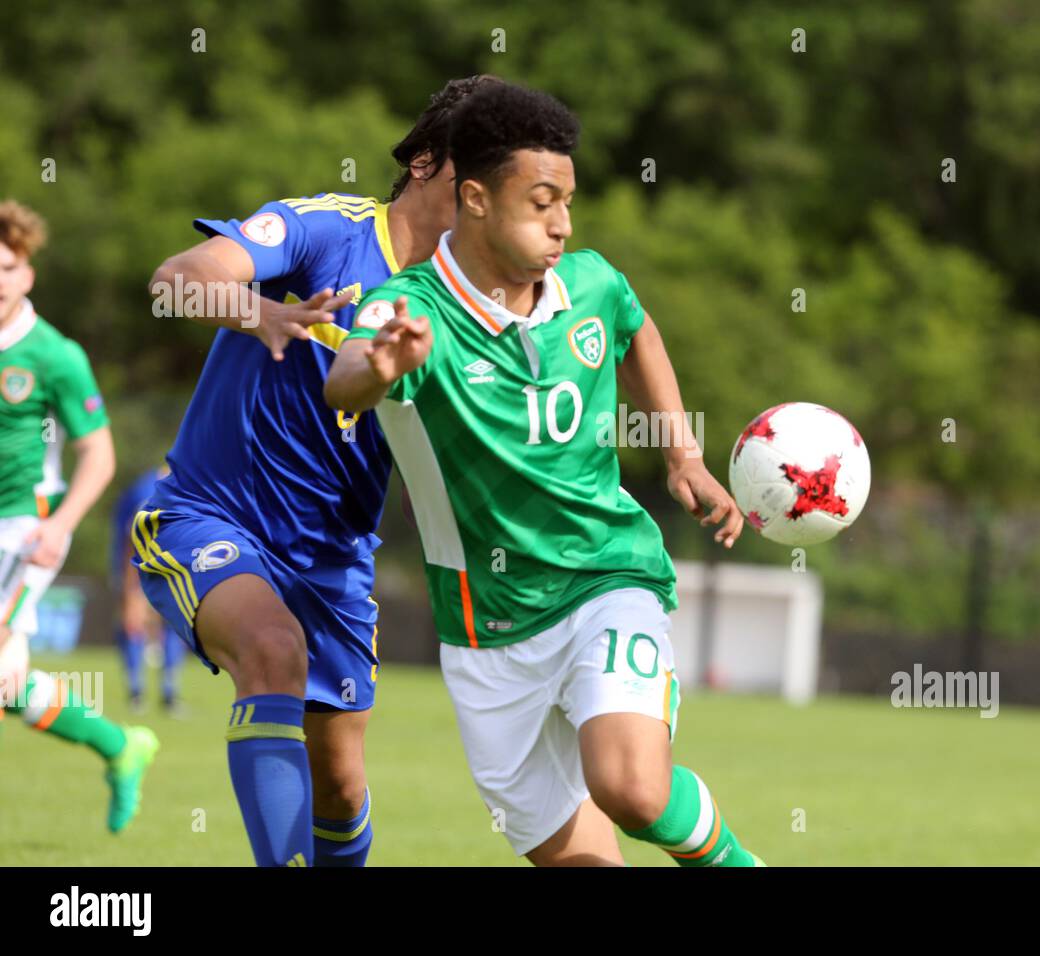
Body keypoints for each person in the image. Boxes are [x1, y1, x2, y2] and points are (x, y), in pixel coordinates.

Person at [326, 82, 763, 866]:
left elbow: (634, 328)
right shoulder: (409, 311)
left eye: (568, 201)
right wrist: (382, 365)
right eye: (541, 201)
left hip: (606, 576)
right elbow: (346, 376)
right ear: (476, 199)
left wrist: (682, 453)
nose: (562, 223)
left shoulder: (589, 283)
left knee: (632, 789)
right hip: (486, 631)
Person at [136, 76, 498, 866]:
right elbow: (174, 281)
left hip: (335, 560)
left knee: (338, 782)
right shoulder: (325, 228)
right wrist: (257, 310)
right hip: (211, 516)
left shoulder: (466, 304)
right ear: (431, 164)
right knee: (272, 650)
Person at [0, 199, 158, 832]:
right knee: (9, 686)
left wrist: (60, 527)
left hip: (26, 529)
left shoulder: (54, 355)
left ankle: (121, 747)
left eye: (7, 267)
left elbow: (98, 454)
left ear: (28, 275)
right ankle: (121, 746)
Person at [111, 465, 186, 713]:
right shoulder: (146, 490)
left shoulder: (187, 488)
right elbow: (129, 537)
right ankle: (136, 693)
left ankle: (168, 694)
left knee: (175, 627)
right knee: (133, 625)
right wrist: (129, 584)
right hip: (139, 566)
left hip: (171, 568)